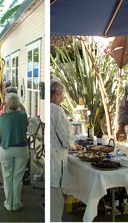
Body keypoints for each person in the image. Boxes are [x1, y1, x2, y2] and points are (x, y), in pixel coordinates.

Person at [50, 80, 76, 220]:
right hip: (54, 162)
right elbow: (66, 139)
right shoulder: (56, 110)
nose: (63, 99)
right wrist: (72, 131)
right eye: (63, 96)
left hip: (52, 160)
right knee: (55, 206)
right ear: (56, 94)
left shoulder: (47, 108)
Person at [0, 92, 29, 211]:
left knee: (7, 177)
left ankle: (8, 203)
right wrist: (20, 106)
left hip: (6, 148)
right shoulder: (22, 115)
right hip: (21, 148)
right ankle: (16, 203)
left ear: (7, 104)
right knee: (17, 177)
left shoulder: (3, 117)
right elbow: (25, 122)